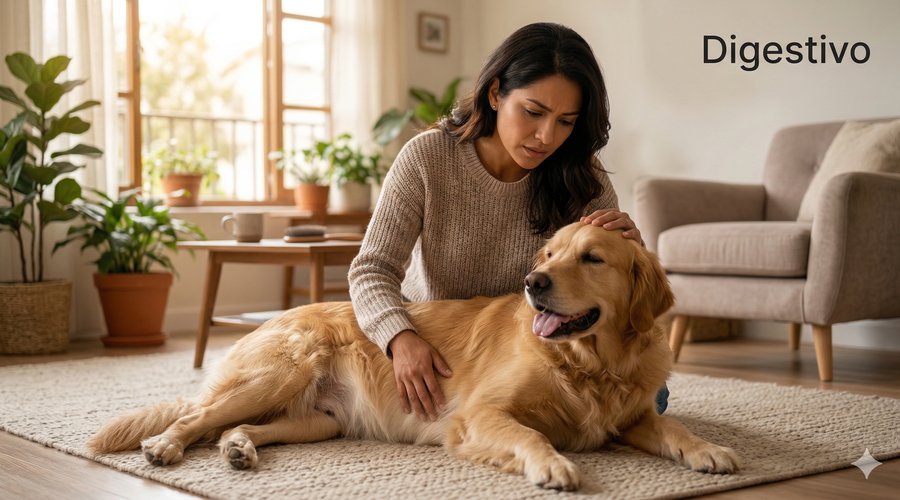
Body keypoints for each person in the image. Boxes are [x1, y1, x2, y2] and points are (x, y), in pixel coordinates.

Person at [348, 22, 667, 421]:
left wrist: (631, 244)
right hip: (448, 341)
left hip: (535, 340)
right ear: (496, 93)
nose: (546, 136)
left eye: (566, 121)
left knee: (650, 398)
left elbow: (616, 280)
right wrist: (400, 339)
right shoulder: (427, 159)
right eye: (533, 112)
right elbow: (371, 270)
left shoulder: (582, 175)